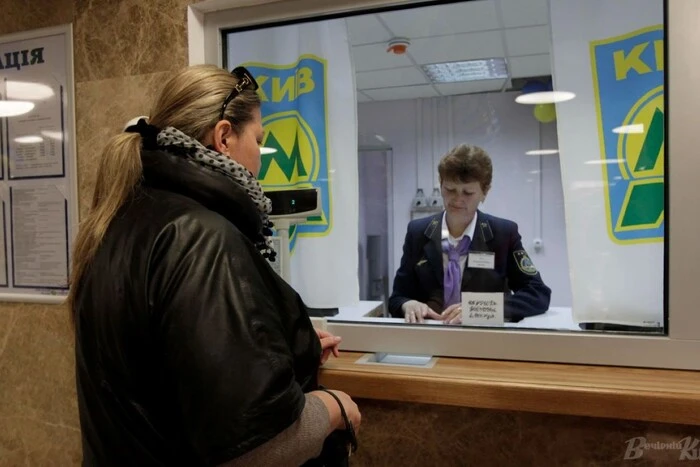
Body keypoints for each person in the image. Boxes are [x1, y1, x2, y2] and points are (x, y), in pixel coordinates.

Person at [69, 64, 360, 466]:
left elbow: (164, 362)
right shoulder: (203, 238)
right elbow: (257, 450)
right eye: (258, 140)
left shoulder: (119, 223)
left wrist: (287, 341)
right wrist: (334, 408)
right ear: (224, 137)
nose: (260, 159)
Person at [388, 144, 551, 324]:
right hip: (430, 334)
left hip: (483, 335)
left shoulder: (503, 234)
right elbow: (397, 298)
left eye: (468, 193)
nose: (458, 199)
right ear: (440, 184)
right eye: (450, 189)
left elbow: (538, 293)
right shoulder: (418, 232)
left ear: (484, 192)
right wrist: (407, 304)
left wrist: (479, 309)